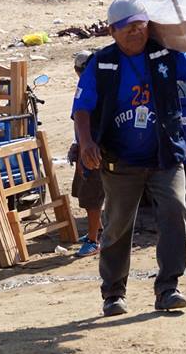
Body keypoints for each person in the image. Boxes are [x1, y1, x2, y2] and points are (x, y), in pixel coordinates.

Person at [72, 0, 186, 316]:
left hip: (165, 156)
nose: (136, 32)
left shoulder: (164, 54)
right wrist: (85, 143)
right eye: (128, 28)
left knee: (175, 212)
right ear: (112, 31)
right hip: (120, 160)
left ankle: (168, 288)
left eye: (141, 25)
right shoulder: (102, 63)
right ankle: (113, 293)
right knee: (117, 226)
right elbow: (82, 108)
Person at [68, 49, 105, 258]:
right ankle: (97, 230)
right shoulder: (95, 86)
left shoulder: (92, 89)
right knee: (88, 193)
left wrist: (83, 152)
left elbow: (86, 125)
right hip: (89, 149)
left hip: (92, 152)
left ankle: (93, 241)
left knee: (92, 197)